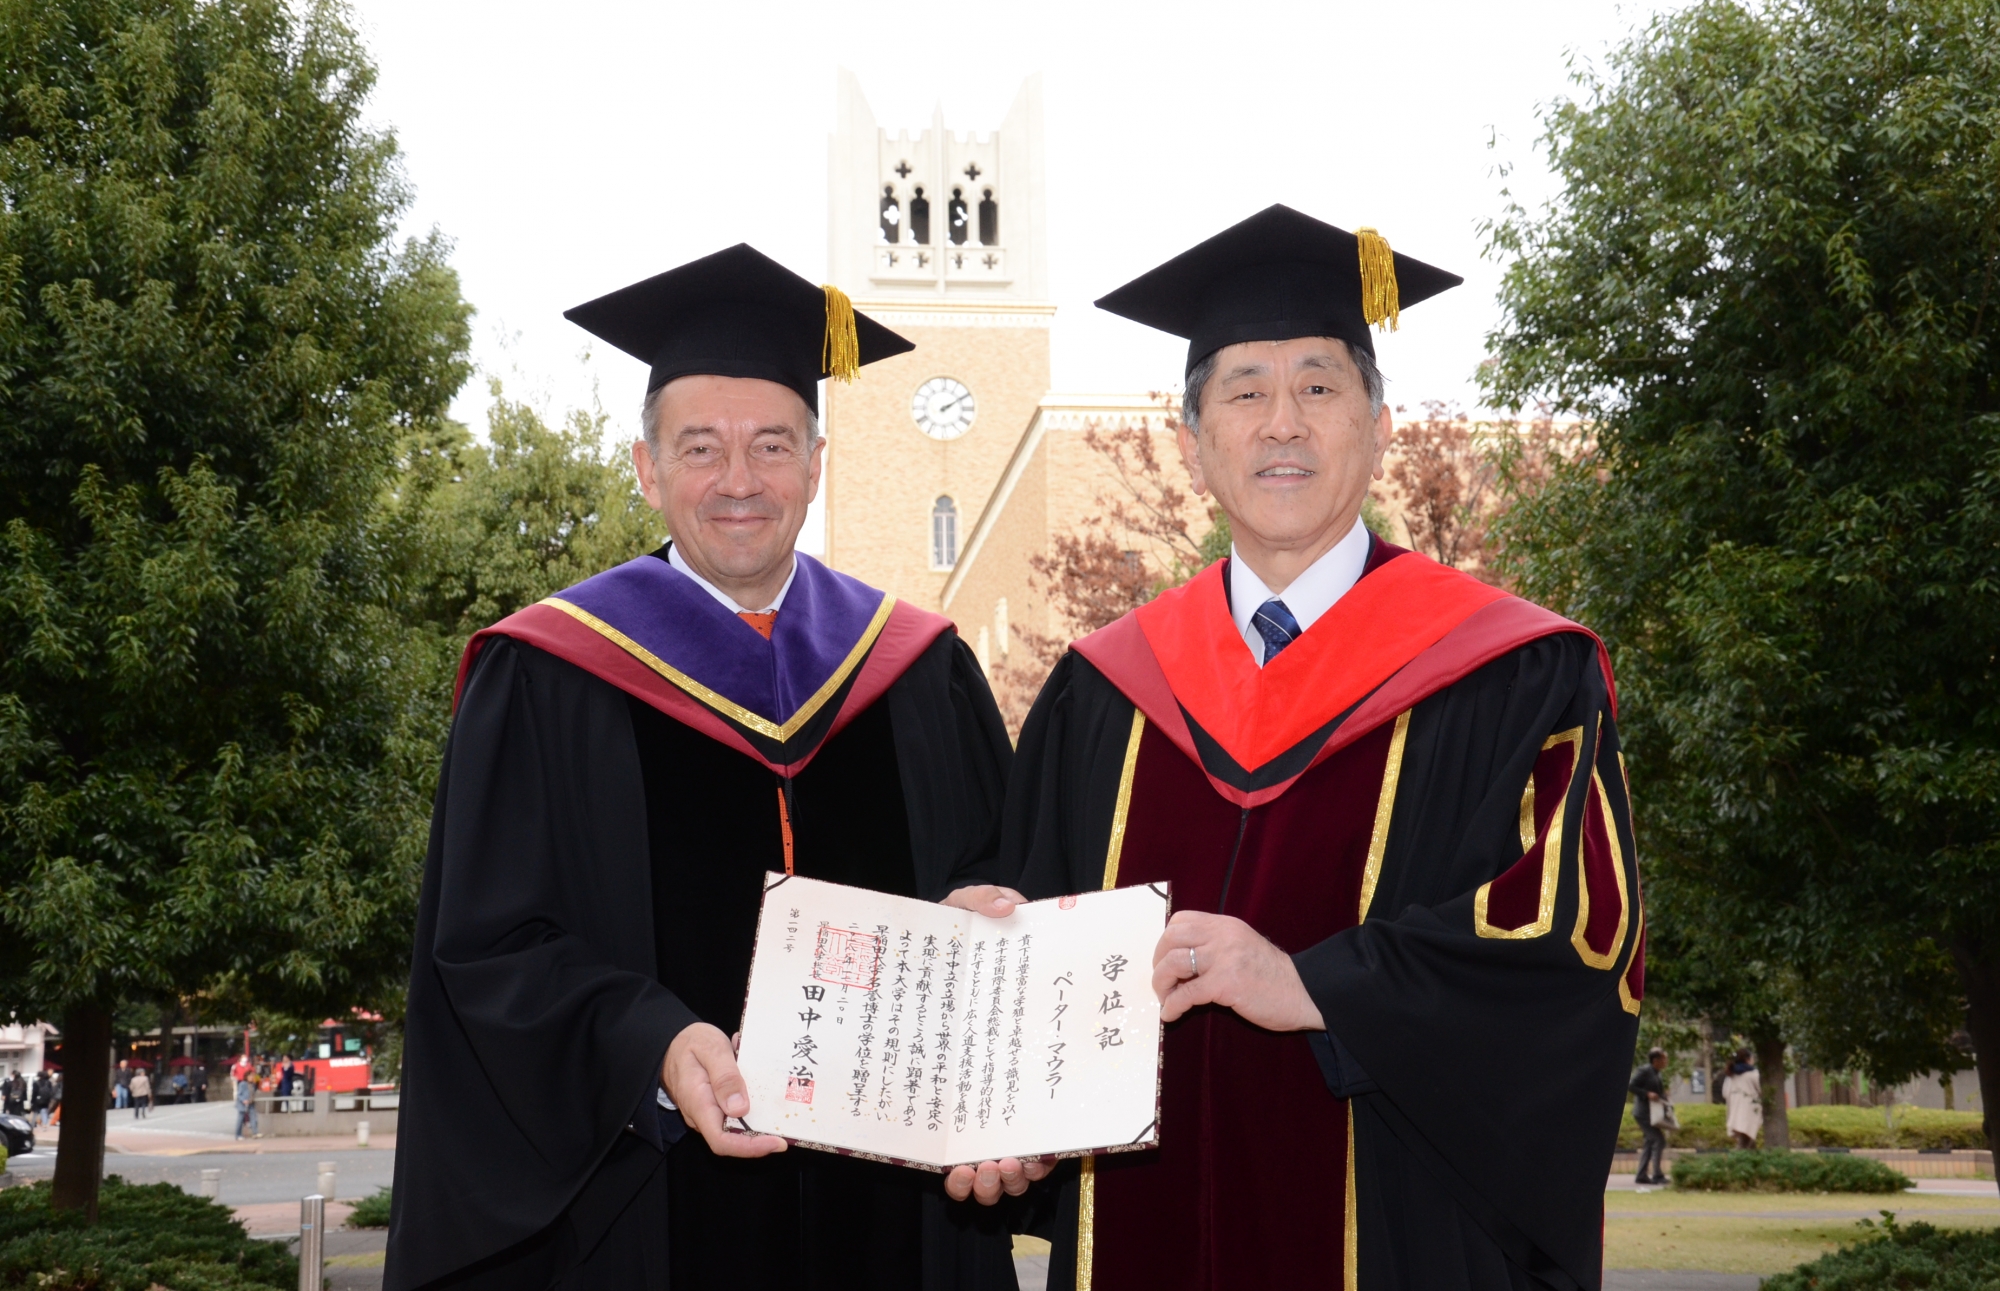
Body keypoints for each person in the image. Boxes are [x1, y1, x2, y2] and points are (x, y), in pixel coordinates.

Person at [1000, 205, 1643, 1290]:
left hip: (1405, 1236)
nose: (1280, 422)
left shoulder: (1513, 672)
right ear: (1194, 438)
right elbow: (1031, 929)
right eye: (1243, 391)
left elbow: (1572, 942)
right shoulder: (1099, 690)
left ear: (1379, 424)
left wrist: (1321, 986)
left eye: (1317, 385)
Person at [385, 244, 1030, 1291]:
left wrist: (994, 932)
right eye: (700, 448)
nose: (739, 480)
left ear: (816, 465)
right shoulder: (549, 674)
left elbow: (1002, 886)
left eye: (772, 446)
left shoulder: (918, 670)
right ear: (644, 467)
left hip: (900, 1229)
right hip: (649, 1218)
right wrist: (650, 1044)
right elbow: (487, 954)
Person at [1629, 1048, 1670, 1186]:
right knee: (1659, 1140)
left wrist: (1663, 1096)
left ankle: (1641, 1175)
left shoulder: (1657, 1073)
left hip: (1652, 1113)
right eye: (1664, 1059)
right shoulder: (1645, 1070)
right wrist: (1646, 1094)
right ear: (1656, 1060)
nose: (1666, 1062)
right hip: (1643, 1113)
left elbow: (1656, 1091)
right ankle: (1657, 1174)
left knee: (1650, 1142)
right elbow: (1631, 1085)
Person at [1723, 1048, 1762, 1149]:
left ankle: (1751, 1157)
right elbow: (1761, 1089)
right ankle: (1739, 1158)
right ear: (1748, 1059)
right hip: (1750, 1108)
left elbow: (1725, 1092)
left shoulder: (1730, 1075)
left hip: (1734, 1107)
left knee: (1744, 1134)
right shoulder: (1753, 1074)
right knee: (1748, 1133)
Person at [234, 1066, 260, 1140]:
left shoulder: (253, 1085)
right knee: (240, 1120)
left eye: (253, 1076)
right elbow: (239, 1094)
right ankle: (238, 1135)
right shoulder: (242, 1084)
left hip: (251, 1103)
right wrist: (243, 1100)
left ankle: (255, 1133)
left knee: (253, 1118)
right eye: (251, 1076)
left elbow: (253, 1092)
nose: (252, 1077)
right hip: (243, 1105)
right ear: (247, 1077)